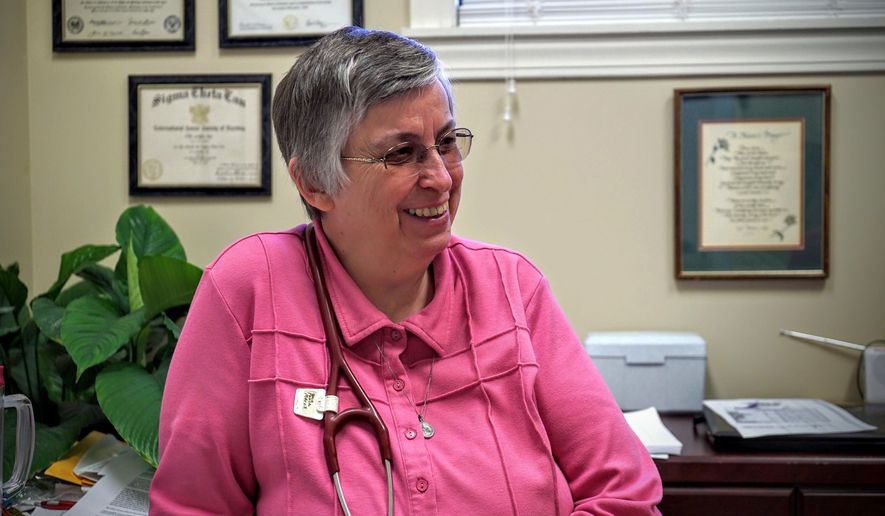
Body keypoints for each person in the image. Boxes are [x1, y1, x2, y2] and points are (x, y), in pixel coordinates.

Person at [149, 26, 662, 515]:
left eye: (446, 142)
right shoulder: (251, 289)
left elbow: (625, 495)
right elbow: (194, 507)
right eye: (402, 154)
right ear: (313, 182)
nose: (440, 178)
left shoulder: (511, 288)